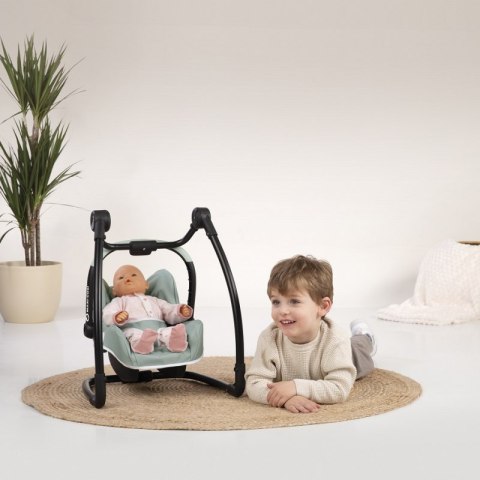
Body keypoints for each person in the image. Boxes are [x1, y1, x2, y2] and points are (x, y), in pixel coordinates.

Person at [245, 255, 376, 413]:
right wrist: (286, 398)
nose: (283, 311)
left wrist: (296, 387)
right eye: (276, 302)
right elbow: (254, 383)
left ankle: (365, 336)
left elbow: (339, 388)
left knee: (358, 347)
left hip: (350, 354)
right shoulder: (269, 338)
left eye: (294, 301)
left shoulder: (336, 340)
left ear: (323, 306)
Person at [103, 264, 193, 355]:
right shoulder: (119, 301)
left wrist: (180, 311)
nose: (127, 278)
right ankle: (141, 345)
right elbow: (107, 313)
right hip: (134, 329)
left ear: (146, 285)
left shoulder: (155, 300)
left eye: (133, 275)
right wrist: (116, 317)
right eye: (121, 278)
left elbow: (168, 309)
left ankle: (175, 342)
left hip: (159, 330)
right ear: (114, 291)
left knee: (168, 332)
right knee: (133, 334)